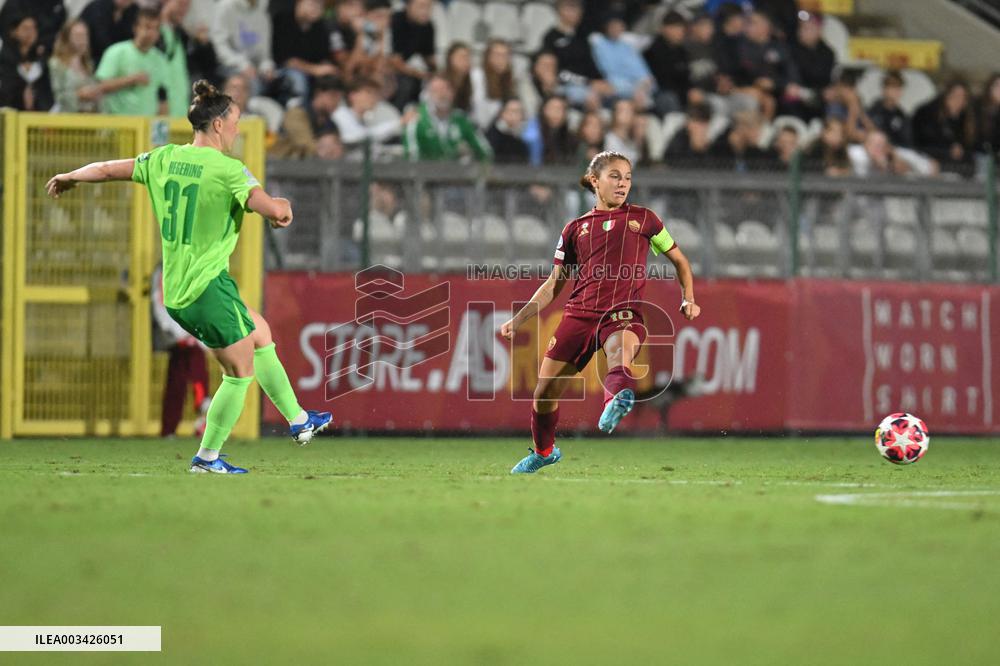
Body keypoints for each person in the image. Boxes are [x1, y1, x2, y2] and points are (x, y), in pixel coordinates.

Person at [45, 80, 333, 474]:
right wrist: (285, 205)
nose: (236, 128)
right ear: (217, 125)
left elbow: (110, 169)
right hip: (207, 287)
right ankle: (207, 458)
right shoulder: (229, 170)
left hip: (177, 291)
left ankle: (299, 420)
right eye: (234, 121)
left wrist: (71, 176)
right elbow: (275, 213)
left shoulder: (164, 158)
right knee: (239, 372)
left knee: (260, 332)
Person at [499, 151, 700, 474]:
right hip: (579, 315)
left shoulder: (645, 220)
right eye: (615, 176)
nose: (623, 184)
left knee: (620, 353)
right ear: (594, 180)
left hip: (623, 312)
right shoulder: (574, 229)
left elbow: (680, 261)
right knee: (544, 393)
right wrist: (518, 319)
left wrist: (688, 297)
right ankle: (544, 451)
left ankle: (616, 401)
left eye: (628, 178)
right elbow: (554, 284)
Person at [151, 262, 211, 438]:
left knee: (178, 374)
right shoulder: (166, 267)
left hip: (191, 332)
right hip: (175, 332)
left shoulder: (197, 264)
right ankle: (203, 403)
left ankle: (169, 428)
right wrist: (178, 333)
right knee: (183, 371)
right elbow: (160, 302)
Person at [94, 8, 167, 116]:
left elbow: (163, 97)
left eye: (155, 29)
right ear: (136, 28)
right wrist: (131, 79)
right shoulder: (116, 51)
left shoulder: (160, 59)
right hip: (117, 123)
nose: (151, 33)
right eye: (147, 27)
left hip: (147, 125)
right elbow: (100, 87)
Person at [402, 75, 492, 162]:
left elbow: (486, 152)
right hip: (425, 175)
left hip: (458, 175)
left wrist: (471, 156)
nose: (441, 94)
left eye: (445, 89)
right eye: (436, 90)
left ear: (453, 92)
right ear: (428, 94)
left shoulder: (462, 120)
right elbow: (412, 157)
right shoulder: (416, 119)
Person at [271, 0, 338, 104]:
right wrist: (315, 70)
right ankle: (297, 113)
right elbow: (286, 61)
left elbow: (323, 58)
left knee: (332, 80)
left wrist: (328, 68)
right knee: (298, 78)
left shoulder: (320, 27)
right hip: (277, 71)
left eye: (321, 6)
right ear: (299, 3)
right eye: (313, 3)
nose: (317, 9)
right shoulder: (282, 19)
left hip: (309, 71)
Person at [159, 0, 217, 118]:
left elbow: (209, 66)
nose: (183, 10)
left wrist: (203, 45)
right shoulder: (153, 32)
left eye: (187, 6)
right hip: (156, 108)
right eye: (180, 4)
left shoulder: (183, 36)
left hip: (180, 108)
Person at [269, 75, 343, 158]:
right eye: (332, 96)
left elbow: (338, 150)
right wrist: (327, 147)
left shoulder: (330, 124)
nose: (335, 102)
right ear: (319, 93)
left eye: (339, 98)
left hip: (315, 167)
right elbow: (304, 144)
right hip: (282, 164)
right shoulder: (296, 114)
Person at [211, 0, 275, 97]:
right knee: (252, 84)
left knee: (284, 80)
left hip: (254, 69)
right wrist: (243, 65)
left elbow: (264, 55)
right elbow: (220, 47)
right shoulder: (225, 6)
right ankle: (248, 112)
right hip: (227, 65)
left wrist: (266, 67)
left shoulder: (263, 12)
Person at [388, 0, 436, 109]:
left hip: (409, 70)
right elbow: (394, 61)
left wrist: (436, 73)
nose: (426, 11)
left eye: (429, 6)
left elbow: (429, 58)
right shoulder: (396, 21)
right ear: (408, 6)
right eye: (421, 6)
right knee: (407, 83)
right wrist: (420, 74)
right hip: (389, 70)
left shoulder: (428, 26)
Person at [0, 14, 54, 111]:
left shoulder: (41, 58)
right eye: (25, 28)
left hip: (38, 111)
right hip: (9, 108)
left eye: (33, 28)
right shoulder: (5, 56)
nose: (30, 32)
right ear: (14, 31)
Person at [48, 19, 102, 113]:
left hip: (88, 118)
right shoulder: (56, 64)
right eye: (78, 36)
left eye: (85, 35)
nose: (83, 40)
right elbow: (55, 95)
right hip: (65, 118)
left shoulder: (89, 65)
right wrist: (79, 95)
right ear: (66, 38)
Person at [642, 10, 690, 114]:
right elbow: (661, 81)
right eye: (677, 28)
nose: (681, 32)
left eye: (682, 28)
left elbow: (686, 78)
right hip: (660, 94)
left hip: (681, 93)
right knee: (669, 99)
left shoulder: (682, 51)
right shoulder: (652, 51)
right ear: (665, 28)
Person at [471, 39, 518, 129]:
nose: (501, 59)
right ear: (488, 57)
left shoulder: (509, 81)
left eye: (505, 55)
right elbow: (480, 114)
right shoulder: (477, 76)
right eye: (497, 55)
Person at [867, 71, 913, 148]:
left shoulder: (902, 116)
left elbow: (907, 142)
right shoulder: (873, 111)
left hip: (896, 152)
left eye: (898, 87)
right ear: (884, 89)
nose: (895, 91)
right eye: (891, 86)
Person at [0, 0, 66, 53]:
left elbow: (50, 40)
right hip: (6, 44)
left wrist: (35, 45)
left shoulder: (60, 11)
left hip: (31, 56)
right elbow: (6, 17)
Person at [485, 98, 530, 164]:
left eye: (518, 111)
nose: (513, 115)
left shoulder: (524, 137)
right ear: (502, 113)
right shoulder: (492, 135)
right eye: (511, 111)